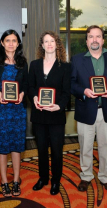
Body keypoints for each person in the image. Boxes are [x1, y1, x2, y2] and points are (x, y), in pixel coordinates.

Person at [71, 25, 107, 192]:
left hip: (106, 110)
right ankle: (86, 176)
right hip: (85, 110)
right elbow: (71, 83)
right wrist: (84, 91)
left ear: (103, 40)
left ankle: (104, 176)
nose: (94, 40)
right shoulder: (77, 60)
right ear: (87, 41)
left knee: (105, 147)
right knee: (85, 147)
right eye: (91, 37)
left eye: (98, 36)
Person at [0, 30, 28, 198]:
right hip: (1, 111)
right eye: (8, 40)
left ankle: (16, 180)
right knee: (3, 147)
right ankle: (4, 181)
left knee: (17, 146)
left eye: (14, 40)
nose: (11, 43)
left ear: (18, 43)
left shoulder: (23, 62)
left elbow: (26, 83)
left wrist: (23, 93)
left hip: (18, 111)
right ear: (2, 43)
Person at [28, 31, 71, 195]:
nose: (49, 44)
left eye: (52, 41)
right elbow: (30, 87)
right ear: (42, 45)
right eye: (46, 41)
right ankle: (43, 178)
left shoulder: (65, 66)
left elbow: (67, 92)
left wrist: (58, 106)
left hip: (56, 115)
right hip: (39, 114)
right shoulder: (34, 64)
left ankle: (55, 181)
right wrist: (34, 98)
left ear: (57, 44)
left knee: (56, 150)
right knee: (41, 149)